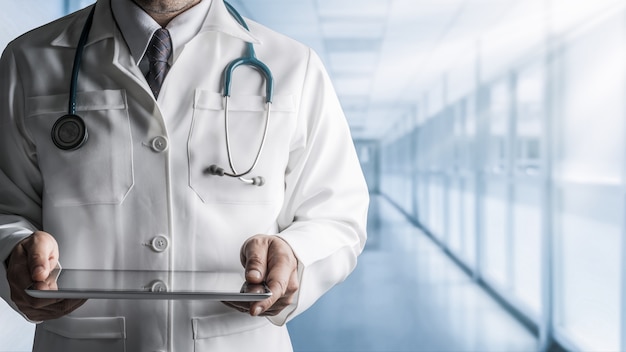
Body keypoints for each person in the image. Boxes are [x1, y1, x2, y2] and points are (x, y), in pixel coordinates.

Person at [0, 0, 369, 351]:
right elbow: (5, 207)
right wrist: (12, 255)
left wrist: (294, 255)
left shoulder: (294, 65)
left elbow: (337, 212)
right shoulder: (27, 60)